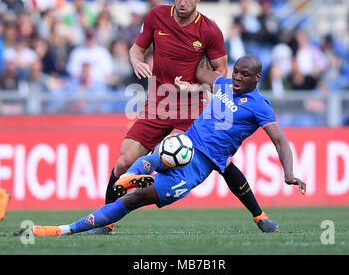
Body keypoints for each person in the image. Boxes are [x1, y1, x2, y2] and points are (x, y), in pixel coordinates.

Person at [32, 54, 306, 237]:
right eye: (235, 72)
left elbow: (280, 141)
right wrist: (186, 71)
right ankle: (70, 225)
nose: (236, 78)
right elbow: (203, 72)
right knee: (152, 157)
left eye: (244, 75)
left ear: (256, 78)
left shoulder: (261, 107)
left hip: (199, 166)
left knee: (134, 199)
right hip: (184, 143)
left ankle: (85, 219)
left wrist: (288, 172)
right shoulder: (223, 85)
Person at [103, 0, 227, 210]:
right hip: (158, 104)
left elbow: (221, 76)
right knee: (123, 163)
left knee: (172, 156)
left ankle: (257, 214)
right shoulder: (157, 16)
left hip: (191, 108)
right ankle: (103, 219)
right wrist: (136, 61)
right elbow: (135, 50)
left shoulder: (210, 31)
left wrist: (195, 87)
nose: (182, 2)